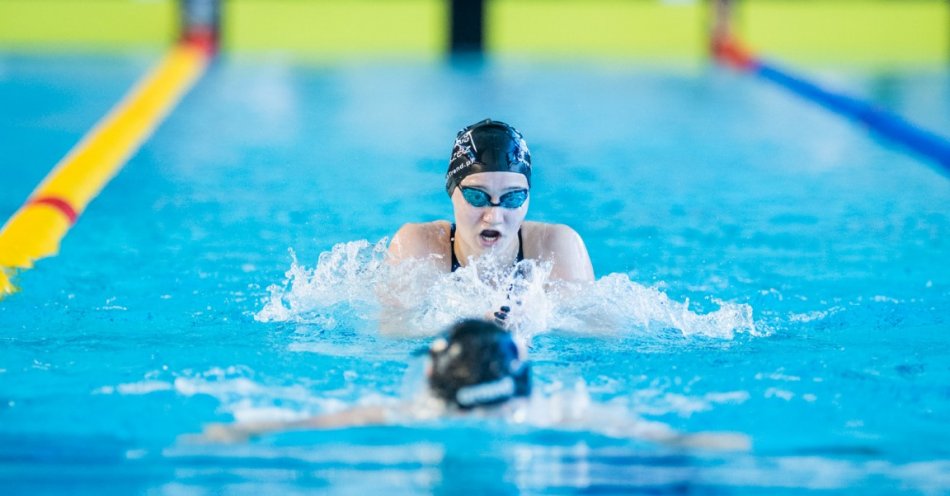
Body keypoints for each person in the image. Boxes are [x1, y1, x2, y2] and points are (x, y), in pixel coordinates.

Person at [196, 320, 749, 452]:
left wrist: (237, 431)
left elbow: (313, 423)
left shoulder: (410, 414)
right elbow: (658, 436)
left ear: (434, 381)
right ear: (522, 385)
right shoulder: (556, 415)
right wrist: (691, 443)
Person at [387, 119, 594, 283]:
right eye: (477, 196)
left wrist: (532, 322)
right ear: (452, 191)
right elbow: (393, 329)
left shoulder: (557, 248)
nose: (494, 217)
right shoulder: (418, 248)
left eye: (512, 198)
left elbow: (599, 330)